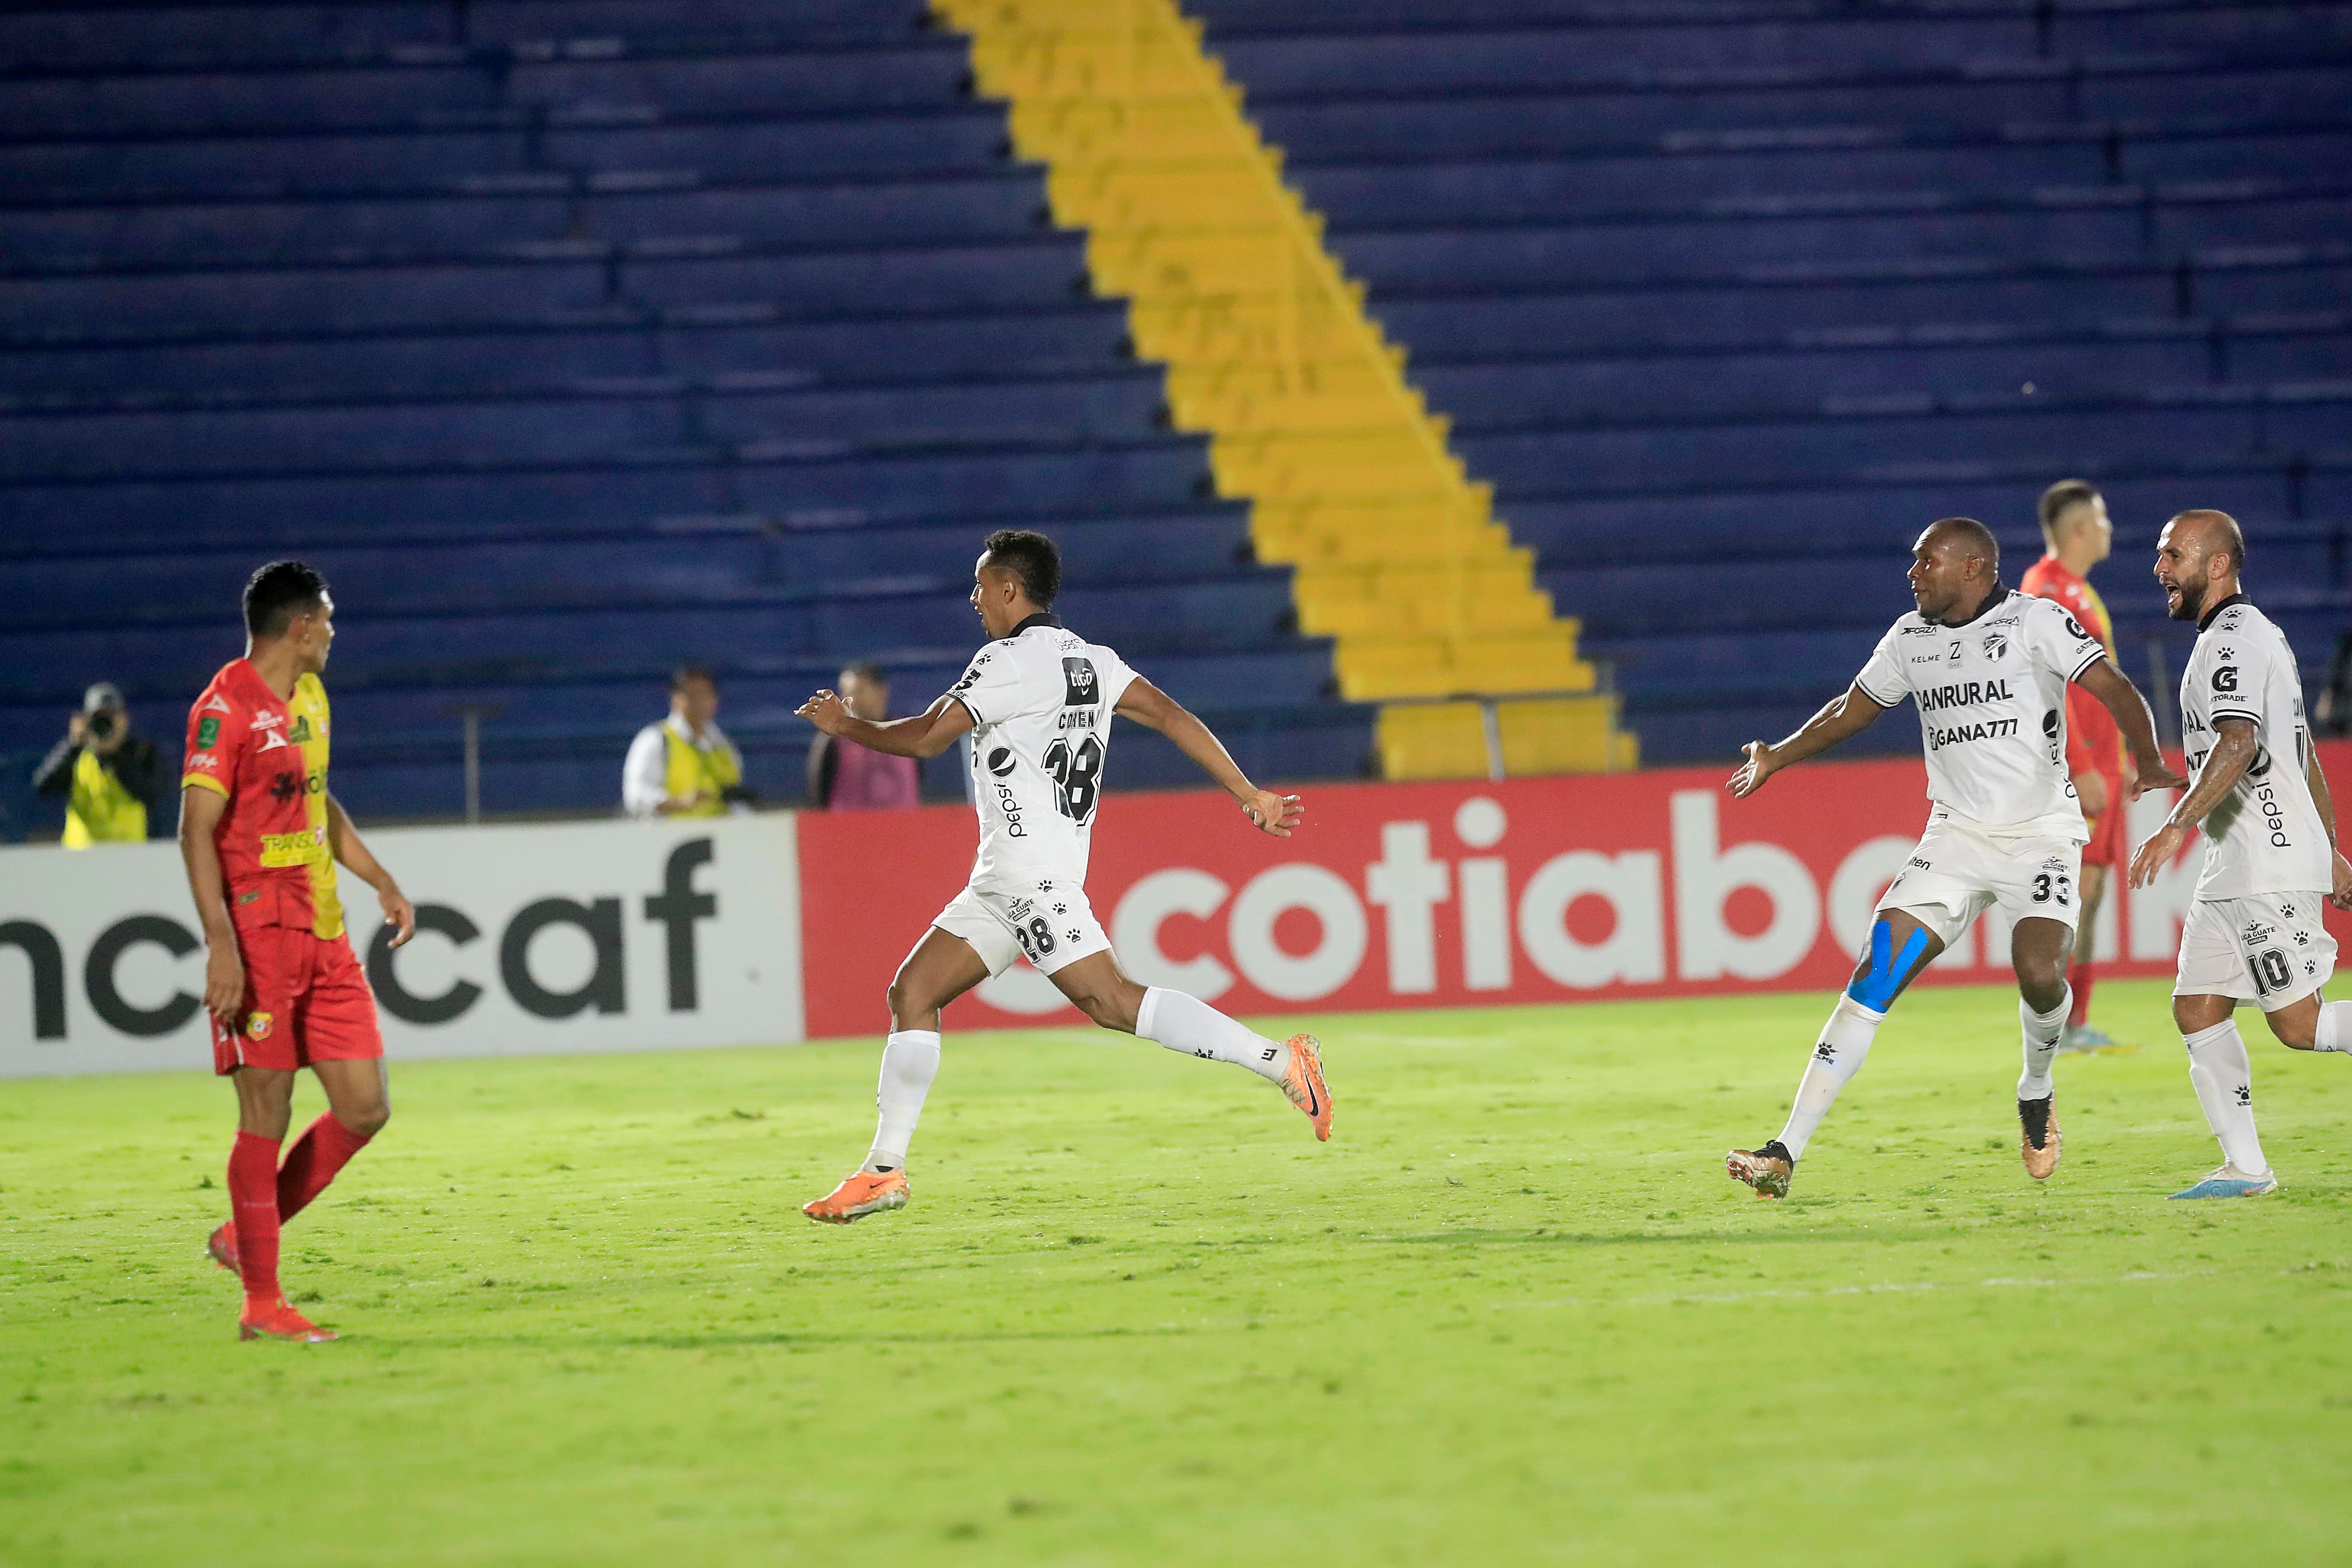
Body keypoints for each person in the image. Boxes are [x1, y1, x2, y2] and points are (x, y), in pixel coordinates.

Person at [792, 528, 1331, 1223]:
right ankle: (883, 1172)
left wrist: (847, 725)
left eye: (981, 585)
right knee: (913, 991)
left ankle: (1282, 1060)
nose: (974, 598)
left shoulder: (1007, 662)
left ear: (1011, 589)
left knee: (1111, 1001)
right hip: (1001, 879)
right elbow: (1169, 715)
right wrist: (1247, 792)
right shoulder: (1094, 661)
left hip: (1031, 876)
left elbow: (924, 739)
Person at [1723, 517, 2183, 1200]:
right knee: (1873, 975)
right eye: (1914, 564)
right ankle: (1786, 1148)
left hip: (2041, 836)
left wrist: (2147, 760)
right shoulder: (1910, 639)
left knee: (2039, 974)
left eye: (1925, 562)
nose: (1913, 575)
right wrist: (1777, 757)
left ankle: (2036, 1088)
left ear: (1973, 569)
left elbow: (2114, 688)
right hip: (1956, 840)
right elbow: (1852, 709)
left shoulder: (2036, 622)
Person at [179, 561, 415, 1343]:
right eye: (329, 621)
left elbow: (317, 799)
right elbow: (195, 829)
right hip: (258, 933)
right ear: (300, 627)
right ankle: (261, 1302)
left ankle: (243, 1237)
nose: (334, 634)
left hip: (324, 928)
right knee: (266, 1113)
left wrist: (380, 878)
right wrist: (222, 945)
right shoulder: (224, 709)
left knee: (365, 1105)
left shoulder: (312, 697)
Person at [2127, 509, 2352, 1200]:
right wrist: (2336, 850)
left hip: (2265, 859)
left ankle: (2249, 1168)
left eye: (2174, 556)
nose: (2160, 568)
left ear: (2218, 564)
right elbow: (2302, 748)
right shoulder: (2253, 637)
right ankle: (2247, 1169)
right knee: (2197, 1007)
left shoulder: (2231, 642)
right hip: (2235, 863)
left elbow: (2241, 744)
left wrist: (2175, 826)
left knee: (2301, 1025)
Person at [2019, 479, 2128, 1051]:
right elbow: (2046, 685)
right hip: (2074, 772)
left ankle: (2074, 1021)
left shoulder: (2079, 591)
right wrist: (2080, 764)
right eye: (2102, 519)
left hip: (2103, 768)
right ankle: (2054, 1024)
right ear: (2080, 528)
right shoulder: (2044, 590)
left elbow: (2095, 684)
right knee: (2071, 894)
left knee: (2090, 893)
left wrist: (2122, 757)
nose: (2110, 528)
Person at [33, 681, 159, 845]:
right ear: (86, 721)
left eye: (111, 717)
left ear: (124, 719)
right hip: (81, 858)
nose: (105, 724)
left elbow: (150, 794)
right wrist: (72, 745)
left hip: (129, 858)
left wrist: (113, 754)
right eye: (98, 718)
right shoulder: (75, 754)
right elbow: (43, 787)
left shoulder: (141, 752)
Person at [623, 664, 753, 820]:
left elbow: (737, 804)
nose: (699, 701)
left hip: (722, 836)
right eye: (692, 694)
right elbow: (636, 797)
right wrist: (680, 803)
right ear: (675, 698)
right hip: (669, 838)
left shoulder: (724, 745)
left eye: (706, 694)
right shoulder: (656, 740)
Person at [805, 661, 920, 810]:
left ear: (881, 691)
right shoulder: (833, 740)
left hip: (902, 829)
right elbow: (819, 793)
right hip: (848, 830)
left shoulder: (909, 733)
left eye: (858, 692)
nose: (849, 700)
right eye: (845, 693)